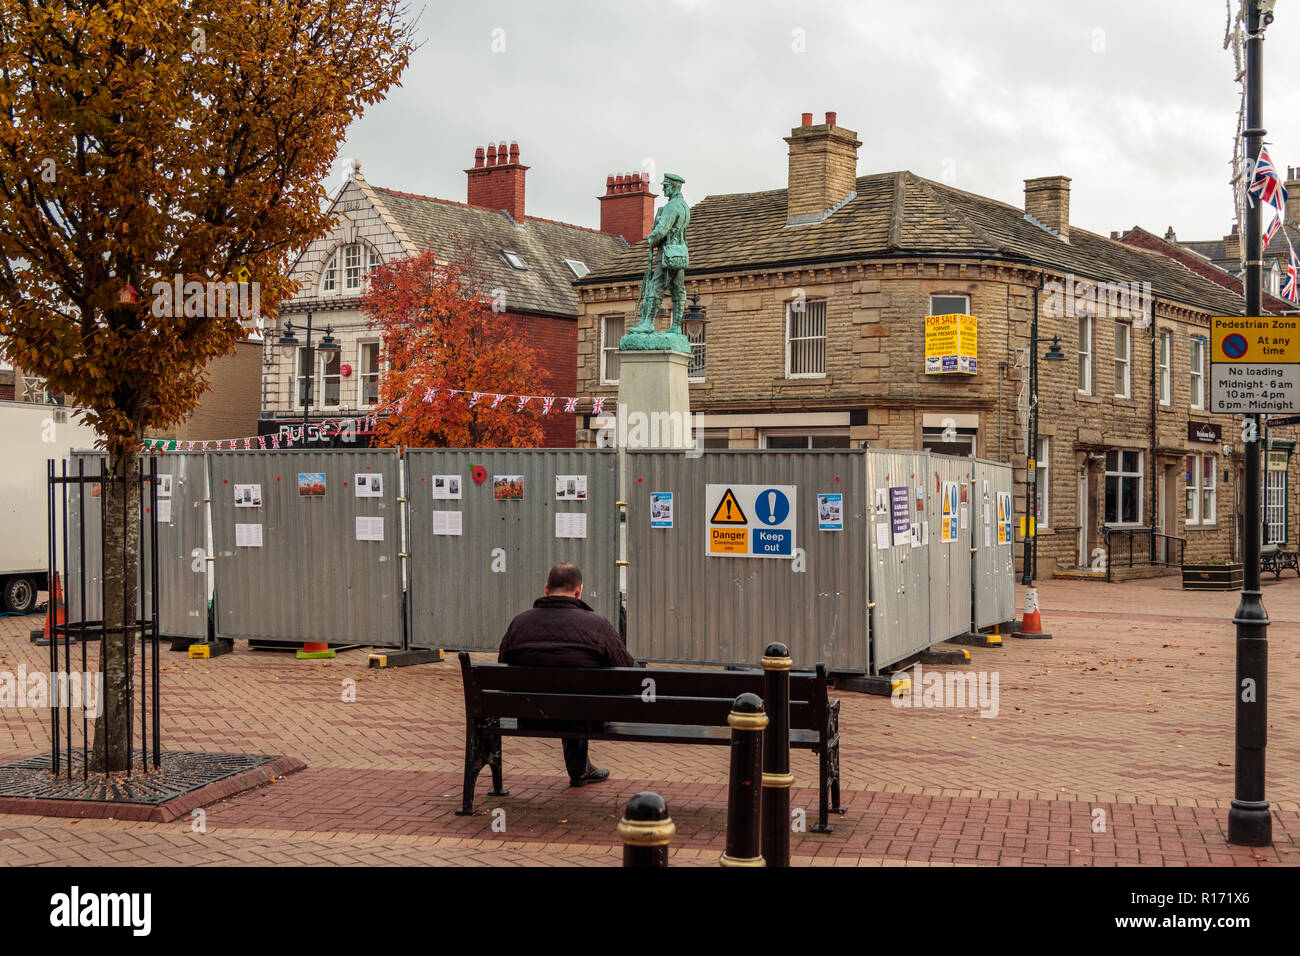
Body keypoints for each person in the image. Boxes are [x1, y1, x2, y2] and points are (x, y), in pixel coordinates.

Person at [498, 563, 633, 787]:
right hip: (586, 716)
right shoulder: (597, 625)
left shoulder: (520, 623)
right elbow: (627, 670)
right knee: (577, 701)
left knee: (567, 698)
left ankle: (581, 769)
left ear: (546, 589)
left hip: (530, 714)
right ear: (579, 591)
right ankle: (580, 770)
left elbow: (502, 666)